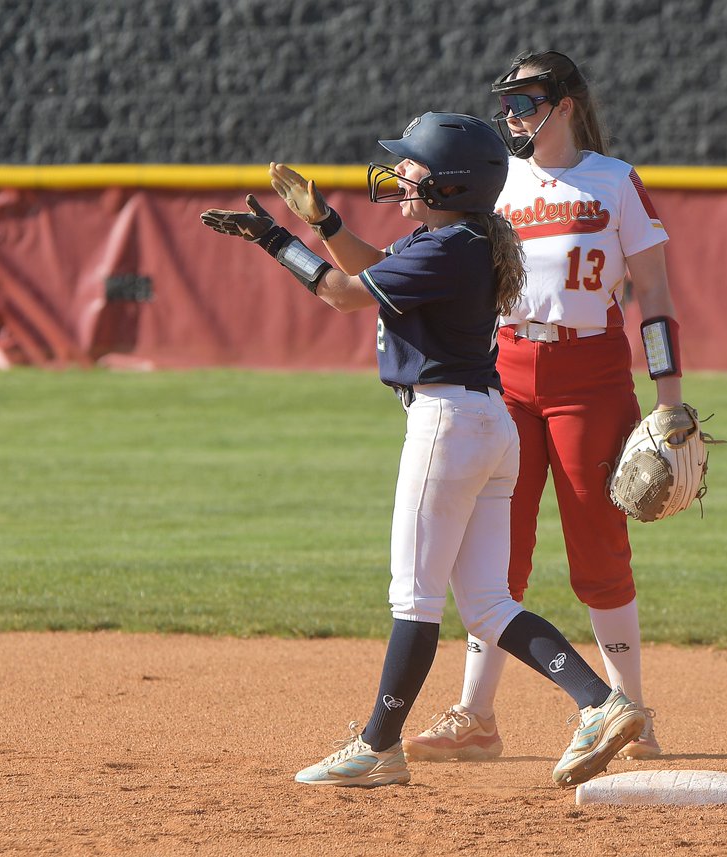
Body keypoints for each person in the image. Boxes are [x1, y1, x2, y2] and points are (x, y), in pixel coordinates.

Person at [202, 111, 645, 789]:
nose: (400, 175)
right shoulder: (457, 239)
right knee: (491, 603)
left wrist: (271, 238)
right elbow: (378, 273)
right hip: (486, 421)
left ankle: (379, 745)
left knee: (414, 597)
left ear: (452, 183)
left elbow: (346, 295)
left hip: (447, 424)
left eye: (413, 167)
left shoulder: (447, 247)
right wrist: (321, 224)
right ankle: (601, 701)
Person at [398, 51, 687, 763]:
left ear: (565, 104)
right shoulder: (498, 180)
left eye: (526, 100)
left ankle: (634, 713)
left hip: (590, 367)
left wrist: (669, 397)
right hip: (503, 369)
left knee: (598, 542)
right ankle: (477, 715)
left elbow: (654, 295)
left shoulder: (614, 181)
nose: (512, 115)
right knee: (496, 546)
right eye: (506, 103)